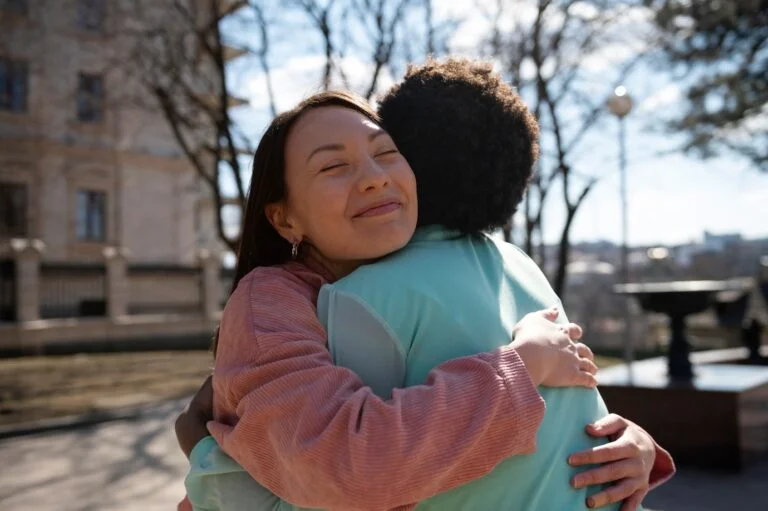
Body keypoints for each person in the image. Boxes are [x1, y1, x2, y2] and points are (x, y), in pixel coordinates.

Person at [178, 62, 674, 510]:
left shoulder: (416, 277)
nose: (374, 178)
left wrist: (624, 446)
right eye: (333, 165)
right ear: (284, 218)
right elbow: (346, 465)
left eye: (386, 153)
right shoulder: (269, 302)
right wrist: (520, 368)